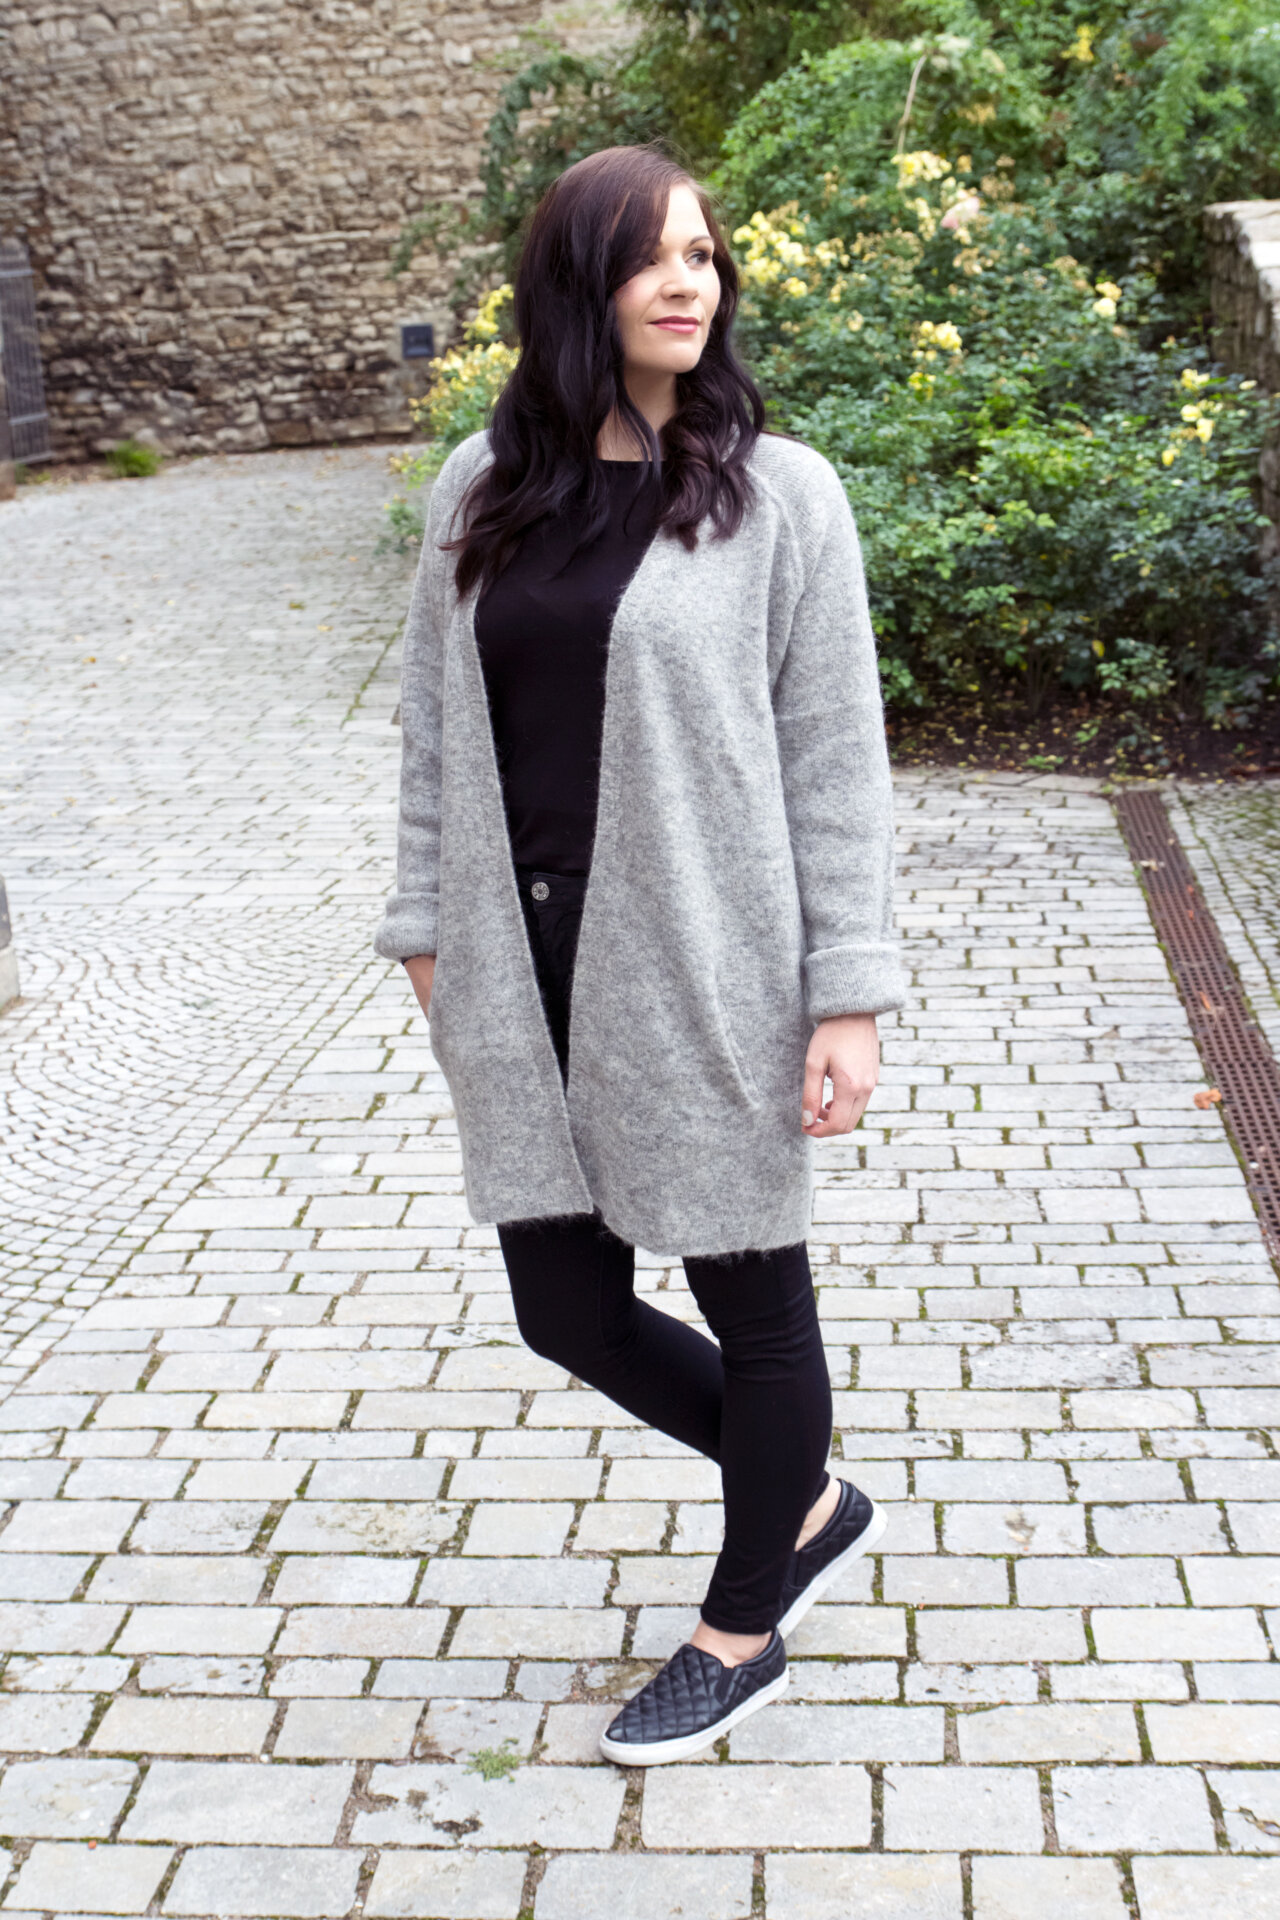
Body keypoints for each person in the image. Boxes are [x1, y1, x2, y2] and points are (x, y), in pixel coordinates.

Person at [375, 144, 906, 1767]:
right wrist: (423, 932)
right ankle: (801, 1498)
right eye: (653, 256)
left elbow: (837, 760)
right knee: (567, 1310)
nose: (692, 283)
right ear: (575, 285)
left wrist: (848, 994)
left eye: (706, 255)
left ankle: (742, 1626)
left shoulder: (778, 495)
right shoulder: (482, 488)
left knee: (753, 1290)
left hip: (704, 958)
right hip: (517, 968)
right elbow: (430, 733)